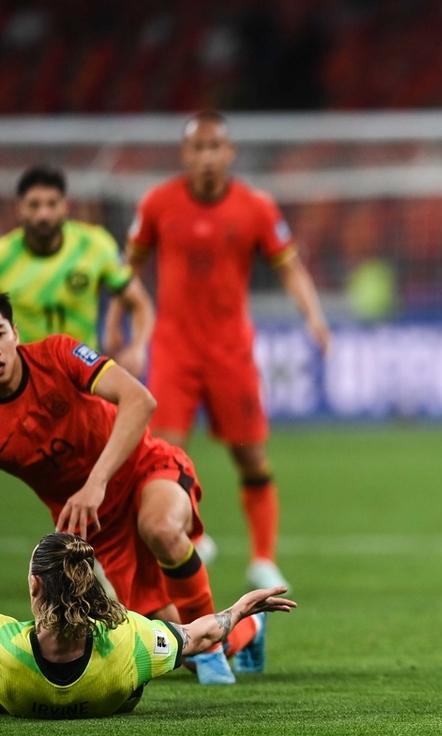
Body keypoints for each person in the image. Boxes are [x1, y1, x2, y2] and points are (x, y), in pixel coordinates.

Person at [115, 110, 331, 588]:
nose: (207, 157)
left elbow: (290, 268)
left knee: (251, 456)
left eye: (215, 147)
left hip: (231, 351)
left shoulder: (256, 208)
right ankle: (193, 533)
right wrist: (118, 324)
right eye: (198, 147)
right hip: (174, 349)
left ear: (229, 153)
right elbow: (127, 268)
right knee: (163, 456)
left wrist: (314, 315)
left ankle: (263, 558)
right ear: (185, 154)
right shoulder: (158, 204)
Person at [0, 292, 262, 684]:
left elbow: (140, 400)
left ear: (15, 333)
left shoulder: (57, 354)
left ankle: (211, 651)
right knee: (175, 643)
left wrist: (96, 481)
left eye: (0, 334)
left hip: (144, 466)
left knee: (160, 527)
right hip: (99, 525)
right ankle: (250, 628)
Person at [0, 532, 295, 719]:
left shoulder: (4, 647)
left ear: (34, 584)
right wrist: (239, 610)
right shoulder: (128, 639)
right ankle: (255, 625)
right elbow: (199, 637)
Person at [0, 165, 154, 375]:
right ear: (19, 208)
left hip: (82, 375)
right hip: (25, 378)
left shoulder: (94, 246)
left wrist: (138, 347)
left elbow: (139, 303)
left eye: (52, 204)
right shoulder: (4, 256)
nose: (43, 214)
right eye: (34, 205)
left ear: (65, 206)